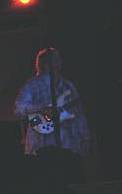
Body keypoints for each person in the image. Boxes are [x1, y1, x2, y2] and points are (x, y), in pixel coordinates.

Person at [14, 46, 90, 183]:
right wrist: (41, 109)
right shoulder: (33, 85)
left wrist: (84, 137)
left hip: (68, 142)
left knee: (69, 180)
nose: (60, 61)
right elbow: (19, 107)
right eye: (55, 58)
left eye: (59, 58)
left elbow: (79, 113)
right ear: (45, 63)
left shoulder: (67, 85)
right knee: (45, 181)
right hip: (42, 143)